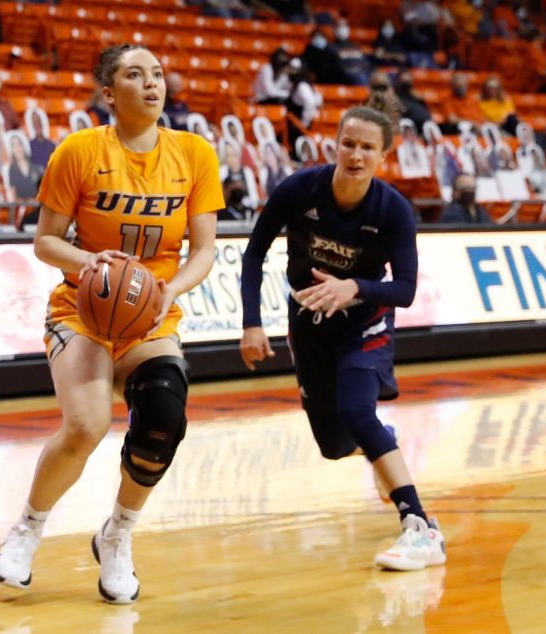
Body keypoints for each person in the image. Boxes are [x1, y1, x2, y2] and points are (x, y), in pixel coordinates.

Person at [0, 43, 224, 603]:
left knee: (164, 418)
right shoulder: (78, 150)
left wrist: (170, 288)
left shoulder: (194, 153)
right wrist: (90, 262)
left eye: (159, 74)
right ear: (108, 93)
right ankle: (28, 528)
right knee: (86, 427)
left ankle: (118, 535)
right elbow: (45, 241)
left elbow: (206, 248)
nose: (151, 83)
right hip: (84, 309)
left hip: (150, 314)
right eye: (134, 74)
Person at [239, 95, 447, 572]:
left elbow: (407, 289)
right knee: (334, 445)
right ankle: (379, 440)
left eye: (367, 148)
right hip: (308, 325)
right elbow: (253, 255)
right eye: (348, 144)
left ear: (383, 156)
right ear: (334, 146)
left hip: (363, 322)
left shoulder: (393, 210)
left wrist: (354, 286)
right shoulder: (300, 190)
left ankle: (420, 527)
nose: (356, 155)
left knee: (357, 409)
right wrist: (252, 322)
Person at [3, 131, 42, 200]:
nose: (18, 148)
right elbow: (12, 197)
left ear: (24, 146)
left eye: (20, 144)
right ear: (11, 149)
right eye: (14, 145)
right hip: (21, 208)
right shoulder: (10, 170)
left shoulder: (36, 168)